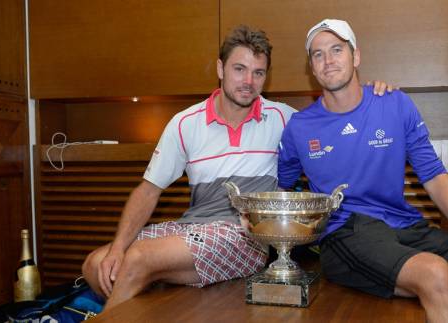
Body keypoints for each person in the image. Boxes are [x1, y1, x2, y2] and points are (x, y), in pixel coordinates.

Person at [81, 24, 394, 311]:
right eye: (239, 69)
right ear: (220, 69)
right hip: (191, 228)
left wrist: (367, 95)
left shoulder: (285, 119)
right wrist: (117, 248)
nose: (248, 81)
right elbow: (148, 192)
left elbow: (334, 122)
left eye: (258, 73)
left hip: (244, 237)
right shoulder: (185, 123)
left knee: (136, 260)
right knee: (96, 264)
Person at [277, 19, 448, 323]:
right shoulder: (299, 128)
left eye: (337, 50)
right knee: (434, 274)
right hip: (345, 231)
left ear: (356, 57)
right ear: (312, 69)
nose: (328, 61)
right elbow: (283, 190)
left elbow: (432, 174)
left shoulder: (394, 103)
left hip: (403, 224)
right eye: (318, 54)